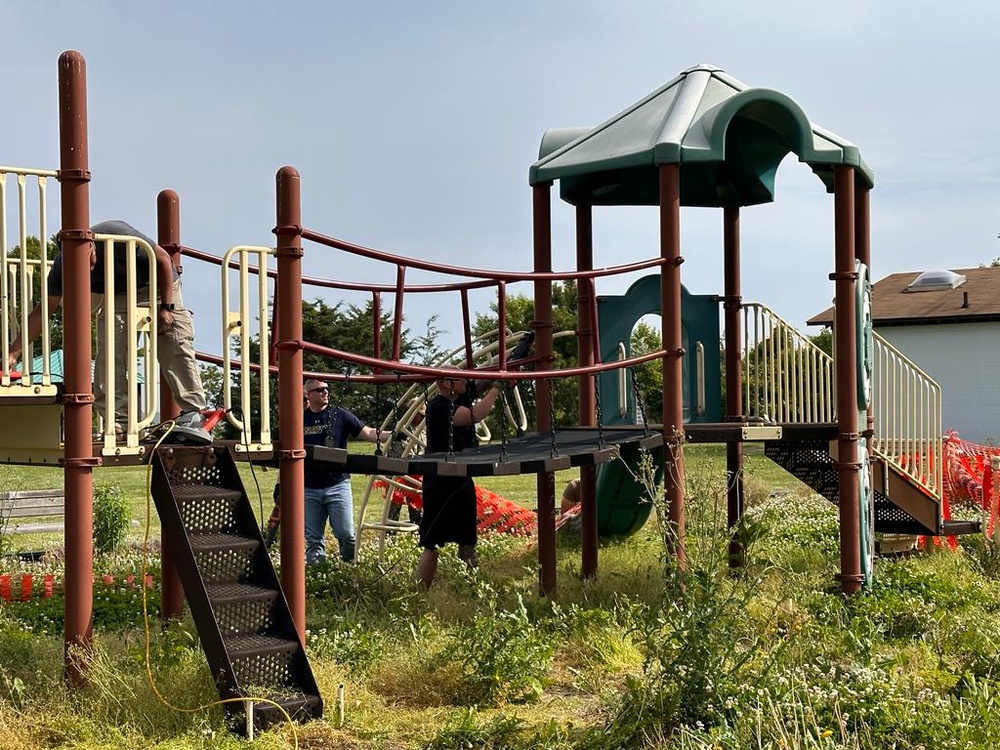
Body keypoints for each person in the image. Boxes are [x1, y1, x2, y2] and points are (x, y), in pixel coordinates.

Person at [6, 219, 210, 443]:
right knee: (110, 352)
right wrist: (13, 352)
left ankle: (194, 413)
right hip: (119, 293)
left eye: (88, 262)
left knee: (175, 342)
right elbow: (42, 311)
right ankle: (119, 422)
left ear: (92, 245)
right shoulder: (61, 267)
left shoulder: (118, 234)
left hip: (158, 285)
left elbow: (162, 259)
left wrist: (166, 308)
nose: (87, 270)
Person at [417, 373, 504, 588]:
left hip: (461, 479)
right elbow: (473, 416)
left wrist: (507, 365)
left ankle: (473, 588)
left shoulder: (458, 397)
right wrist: (497, 388)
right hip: (439, 482)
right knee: (432, 544)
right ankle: (420, 591)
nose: (466, 382)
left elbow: (478, 384)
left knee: (468, 540)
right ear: (447, 384)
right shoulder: (439, 406)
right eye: (460, 379)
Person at [303, 378, 390, 564]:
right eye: (319, 390)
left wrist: (394, 434)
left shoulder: (339, 415)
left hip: (337, 483)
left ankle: (349, 564)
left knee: (346, 534)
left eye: (327, 388)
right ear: (308, 395)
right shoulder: (300, 418)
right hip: (309, 486)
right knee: (313, 540)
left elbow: (367, 433)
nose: (325, 392)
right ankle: (318, 575)